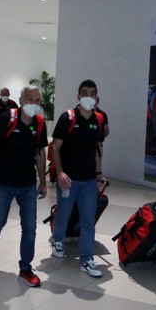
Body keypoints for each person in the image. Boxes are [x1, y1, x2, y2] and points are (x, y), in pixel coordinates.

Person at [0, 85, 47, 287]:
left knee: (30, 227)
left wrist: (43, 181)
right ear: (21, 100)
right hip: (2, 182)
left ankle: (25, 268)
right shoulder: (6, 119)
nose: (34, 103)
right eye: (30, 99)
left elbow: (40, 153)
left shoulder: (40, 123)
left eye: (38, 100)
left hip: (27, 185)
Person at [50, 79, 106, 277]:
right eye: (84, 93)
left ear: (97, 97)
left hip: (89, 181)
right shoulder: (68, 117)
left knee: (88, 220)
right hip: (69, 180)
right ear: (78, 96)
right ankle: (58, 239)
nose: (88, 97)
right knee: (63, 213)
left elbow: (98, 149)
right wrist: (60, 172)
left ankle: (87, 259)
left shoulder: (98, 119)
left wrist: (99, 174)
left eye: (92, 93)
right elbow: (55, 146)